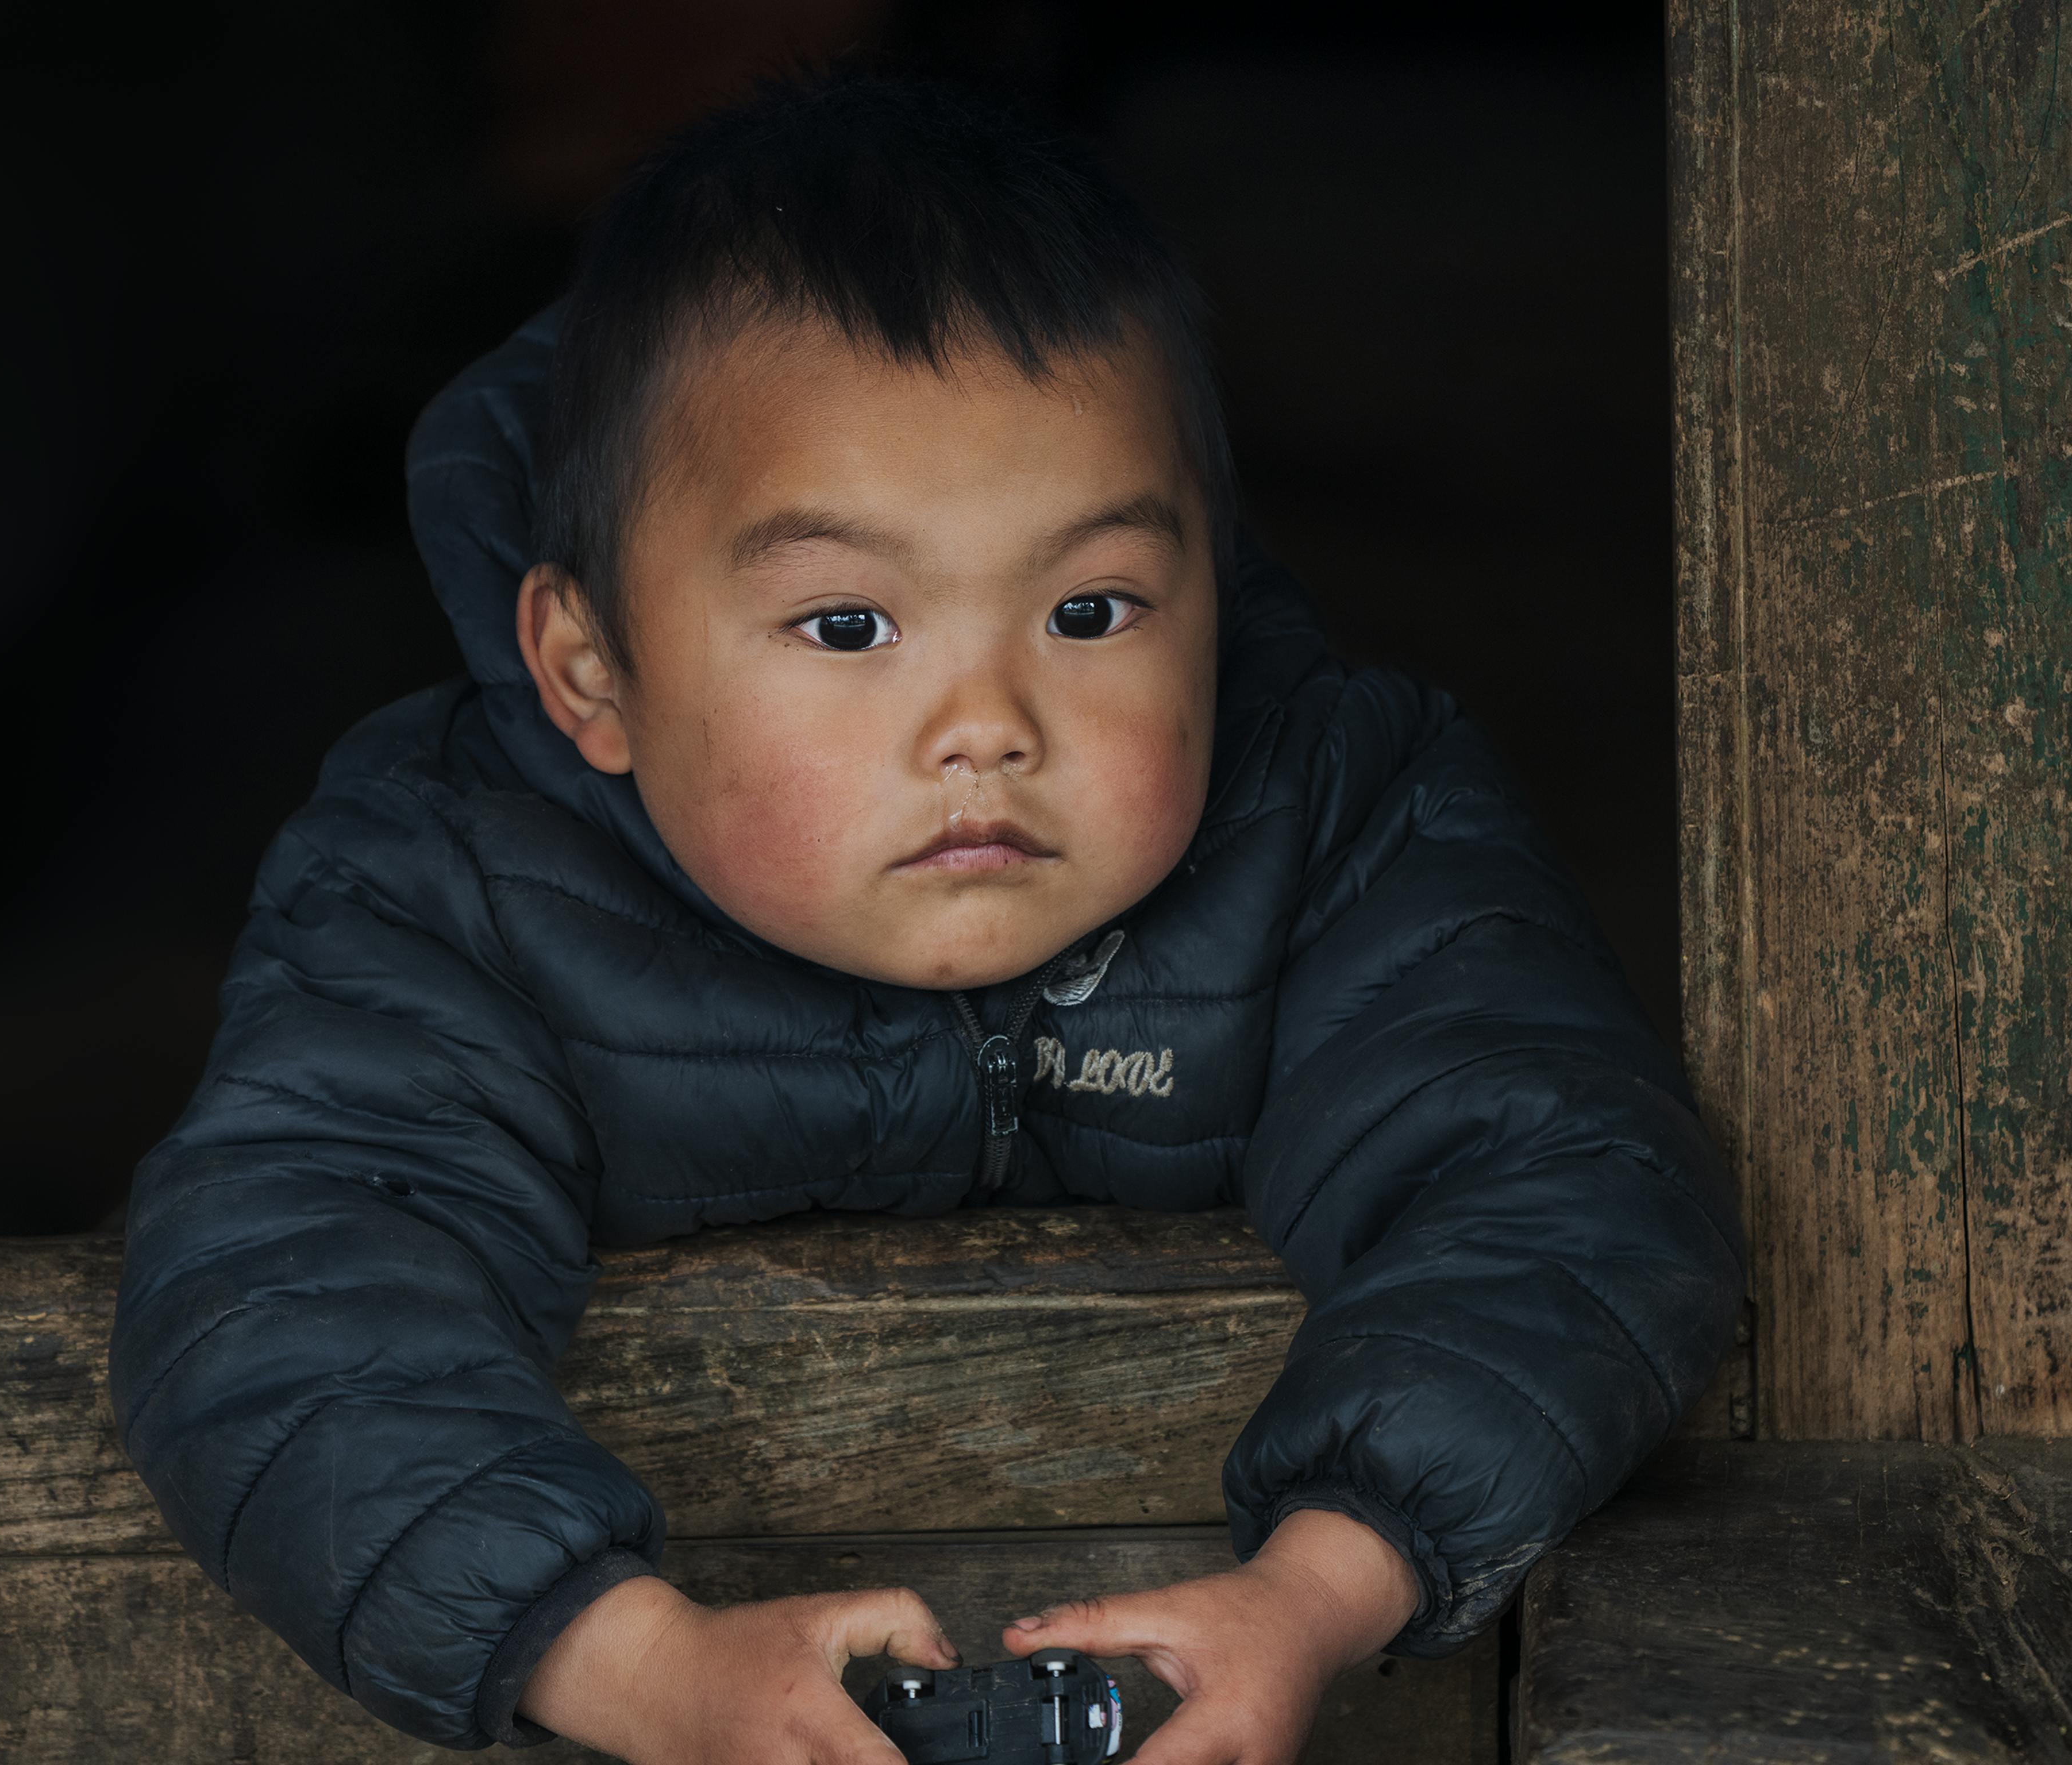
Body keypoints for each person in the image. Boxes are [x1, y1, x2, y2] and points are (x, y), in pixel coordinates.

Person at [109, 71, 1741, 1764]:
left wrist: (1324, 1590)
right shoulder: (448, 881)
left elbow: (1572, 1183)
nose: (987, 722)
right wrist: (637, 1667)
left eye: (1091, 608)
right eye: (846, 625)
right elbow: (276, 1288)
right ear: (590, 669)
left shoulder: (1328, 810)